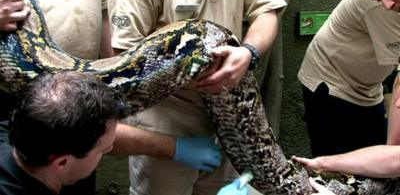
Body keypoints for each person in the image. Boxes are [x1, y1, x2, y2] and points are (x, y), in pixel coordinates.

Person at [0, 0, 229, 194]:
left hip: (83, 91)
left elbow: (103, 13)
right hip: (23, 99)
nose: (109, 148)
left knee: (75, 170)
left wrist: (118, 81)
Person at [107, 0, 287, 194]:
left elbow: (267, 11)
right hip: (168, 118)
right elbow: (126, 58)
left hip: (228, 117)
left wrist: (249, 52)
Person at [0, 71, 250, 195]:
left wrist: (176, 148)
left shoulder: (25, 131)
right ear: (62, 162)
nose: (111, 148)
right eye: (104, 150)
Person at [292, 0, 400, 194]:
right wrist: (392, 156)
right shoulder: (384, 8)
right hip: (332, 85)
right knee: (344, 178)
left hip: (367, 88)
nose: (387, 3)